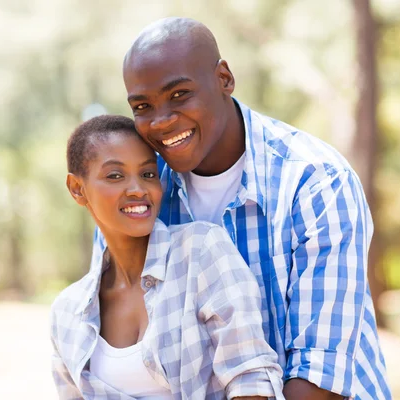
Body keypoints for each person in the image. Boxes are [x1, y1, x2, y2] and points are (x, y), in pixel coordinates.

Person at [90, 17, 390, 400]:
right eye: (143, 106)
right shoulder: (138, 196)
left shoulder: (317, 182)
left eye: (180, 95)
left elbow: (320, 376)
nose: (162, 120)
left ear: (224, 79)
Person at [50, 115, 285, 399]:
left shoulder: (200, 252)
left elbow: (251, 382)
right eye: (115, 175)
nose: (138, 189)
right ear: (77, 189)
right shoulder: (67, 313)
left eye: (148, 174)